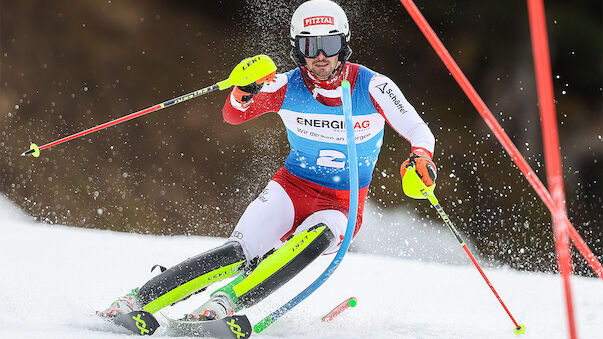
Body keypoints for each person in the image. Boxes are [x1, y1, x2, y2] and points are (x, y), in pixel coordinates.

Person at [99, 0, 436, 322]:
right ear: (296, 47)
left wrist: (420, 159)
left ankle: (221, 306)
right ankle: (135, 301)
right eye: (309, 46)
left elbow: (419, 132)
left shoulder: (374, 86)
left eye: (329, 44)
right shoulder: (287, 85)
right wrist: (242, 90)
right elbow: (233, 115)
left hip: (342, 205)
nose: (320, 56)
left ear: (344, 43)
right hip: (290, 189)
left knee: (312, 240)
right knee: (238, 253)